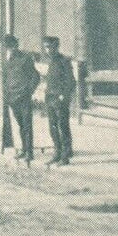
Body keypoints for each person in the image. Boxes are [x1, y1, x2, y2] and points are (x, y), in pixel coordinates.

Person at [0, 36, 40, 164]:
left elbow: (35, 77)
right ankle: (23, 149)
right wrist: (6, 94)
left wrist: (29, 91)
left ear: (16, 45)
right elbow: (5, 80)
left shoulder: (25, 58)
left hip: (23, 97)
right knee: (20, 125)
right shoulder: (6, 61)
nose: (10, 49)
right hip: (12, 98)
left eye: (12, 46)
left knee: (27, 125)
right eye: (7, 47)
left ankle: (29, 152)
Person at [42, 36, 75, 166]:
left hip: (59, 99)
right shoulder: (50, 61)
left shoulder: (64, 61)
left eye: (49, 47)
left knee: (63, 127)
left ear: (56, 47)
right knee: (52, 127)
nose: (47, 50)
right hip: (50, 98)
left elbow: (71, 82)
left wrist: (64, 96)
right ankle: (57, 153)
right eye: (45, 47)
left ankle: (65, 156)